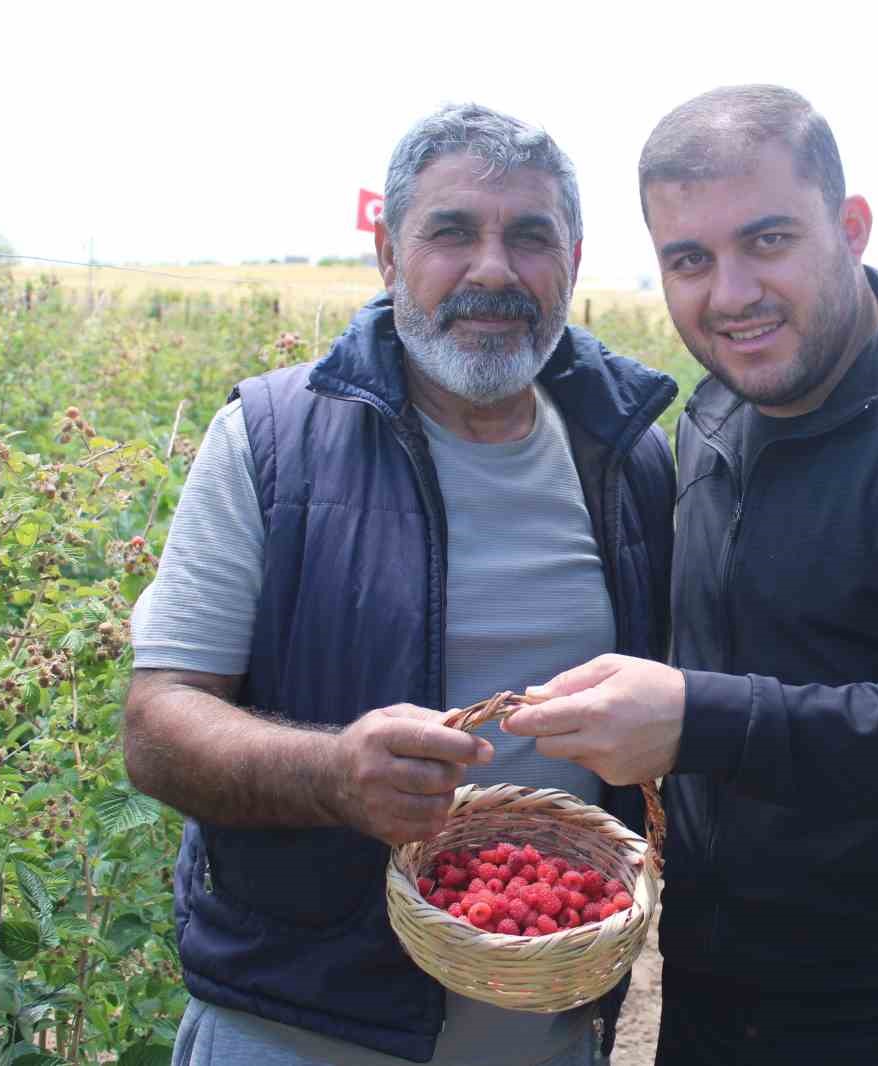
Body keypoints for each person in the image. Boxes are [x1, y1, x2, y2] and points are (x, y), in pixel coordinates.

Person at [502, 85, 878, 1064]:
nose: (729, 293)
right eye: (689, 259)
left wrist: (695, 718)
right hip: (722, 989)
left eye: (766, 240)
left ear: (848, 228)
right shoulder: (715, 416)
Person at [123, 103, 677, 1065]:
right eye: (452, 232)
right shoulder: (270, 442)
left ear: (574, 261)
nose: (493, 269)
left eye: (530, 237)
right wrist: (336, 774)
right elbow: (158, 726)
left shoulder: (628, 459)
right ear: (388, 254)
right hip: (298, 1028)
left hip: (543, 1030)